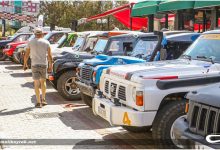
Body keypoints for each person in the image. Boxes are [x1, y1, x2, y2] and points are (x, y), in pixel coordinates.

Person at [23, 28, 53, 108]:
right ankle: (43, 99)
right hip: (43, 64)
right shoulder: (46, 42)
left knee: (36, 83)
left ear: (35, 34)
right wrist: (51, 66)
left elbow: (26, 55)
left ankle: (38, 102)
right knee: (43, 82)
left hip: (34, 65)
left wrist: (25, 64)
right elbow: (50, 56)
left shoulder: (30, 42)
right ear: (42, 34)